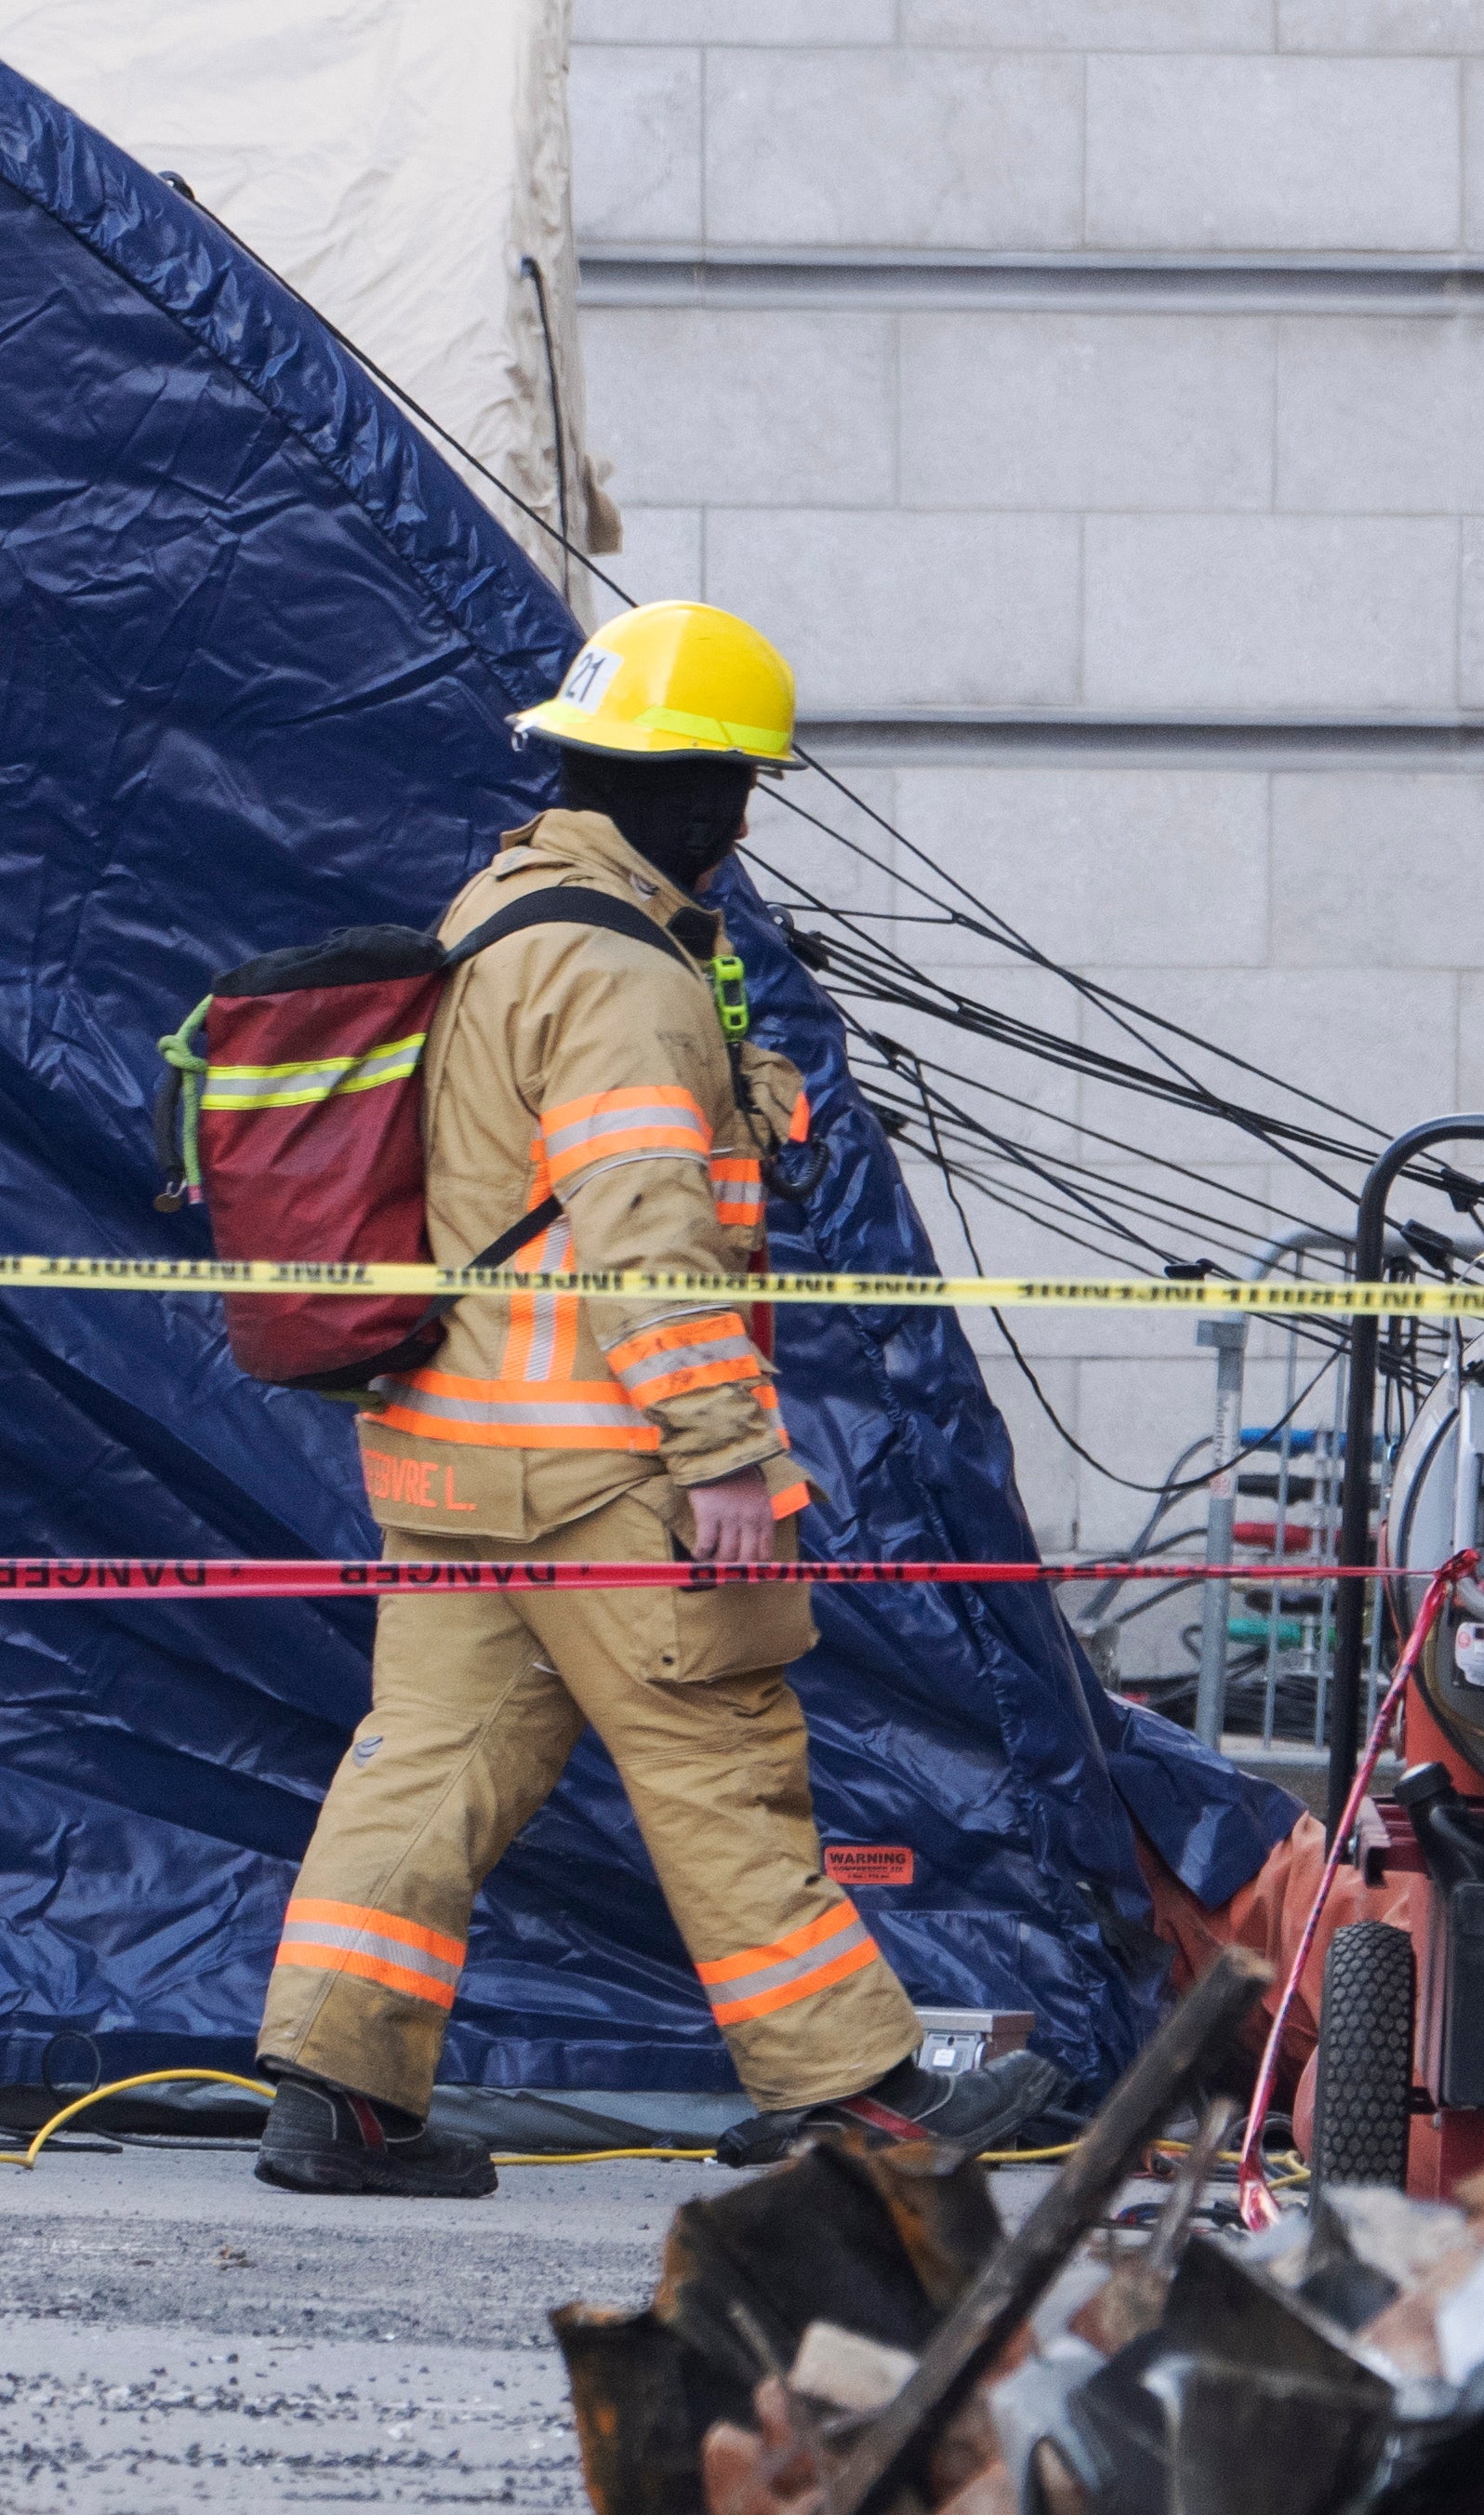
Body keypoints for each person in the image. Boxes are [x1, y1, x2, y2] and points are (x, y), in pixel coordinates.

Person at [253, 601, 1061, 2197]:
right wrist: (725, 1459)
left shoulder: (503, 915)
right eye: (740, 791)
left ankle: (335, 2093)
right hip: (610, 1463)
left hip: (453, 1458)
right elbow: (642, 1232)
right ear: (693, 797)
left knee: (428, 1756)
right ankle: (857, 2092)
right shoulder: (620, 974)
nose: (745, 825)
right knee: (722, 1756)